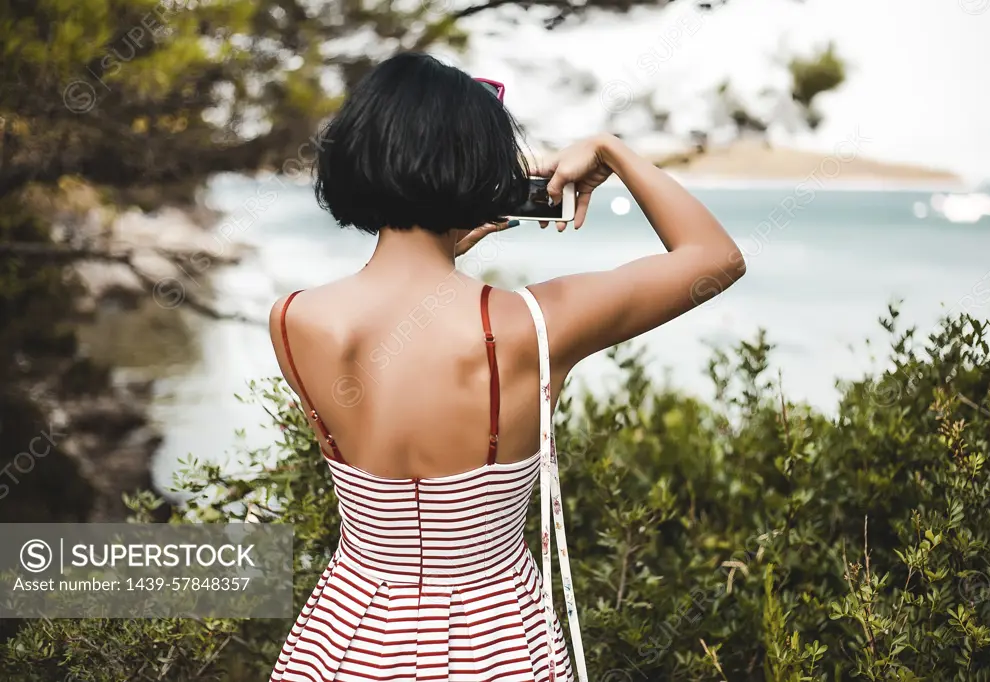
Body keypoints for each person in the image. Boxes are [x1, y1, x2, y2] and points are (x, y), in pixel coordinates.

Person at [268, 52, 745, 682]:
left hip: (343, 638)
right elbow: (715, 257)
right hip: (493, 644)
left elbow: (408, 322)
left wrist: (444, 238)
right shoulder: (532, 328)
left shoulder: (294, 319)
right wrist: (611, 149)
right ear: (481, 170)